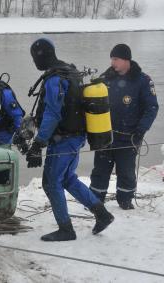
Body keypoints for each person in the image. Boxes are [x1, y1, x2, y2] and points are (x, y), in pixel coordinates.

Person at [26, 38, 114, 241]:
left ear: (41, 56)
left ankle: (66, 229)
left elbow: (53, 114)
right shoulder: (70, 72)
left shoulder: (55, 79)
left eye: (34, 58)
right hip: (76, 136)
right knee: (67, 179)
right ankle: (102, 214)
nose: (34, 62)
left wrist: (38, 144)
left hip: (63, 139)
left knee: (50, 183)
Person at [89, 44, 159, 210]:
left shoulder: (143, 80)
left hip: (129, 135)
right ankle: (94, 200)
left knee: (126, 171)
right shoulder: (105, 78)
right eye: (112, 59)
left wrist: (141, 129)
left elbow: (152, 108)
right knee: (100, 170)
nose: (113, 62)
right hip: (105, 135)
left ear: (127, 60)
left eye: (116, 59)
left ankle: (125, 201)